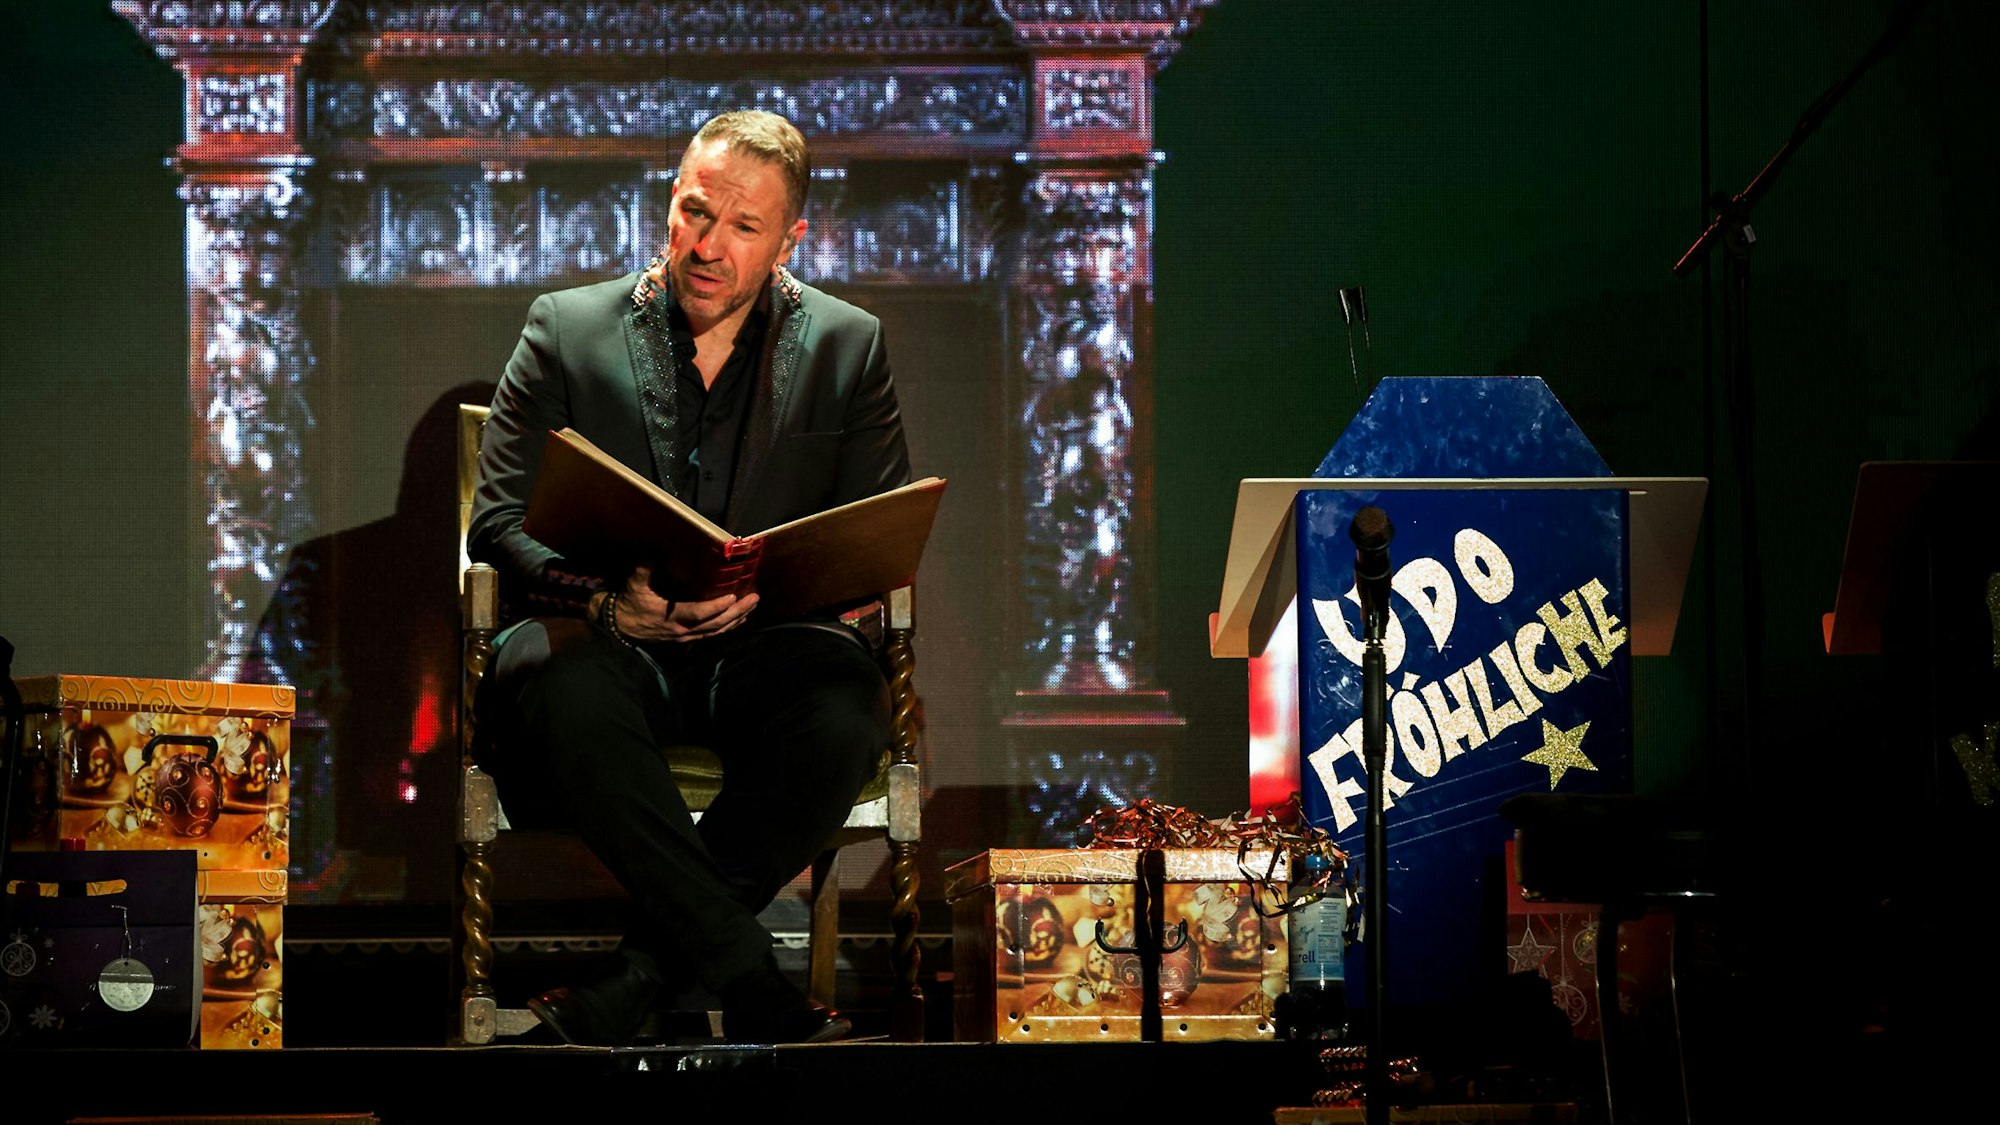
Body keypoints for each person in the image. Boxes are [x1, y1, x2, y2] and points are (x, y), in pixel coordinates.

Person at [467, 110, 911, 1046]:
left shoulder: (847, 344)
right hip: (608, 640)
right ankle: (755, 979)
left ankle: (633, 982)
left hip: (765, 647)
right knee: (555, 673)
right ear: (669, 204)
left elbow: (873, 532)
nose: (706, 247)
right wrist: (601, 600)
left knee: (845, 707)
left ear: (793, 239)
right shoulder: (565, 328)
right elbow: (496, 520)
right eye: (693, 213)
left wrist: (794, 580)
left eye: (742, 229)